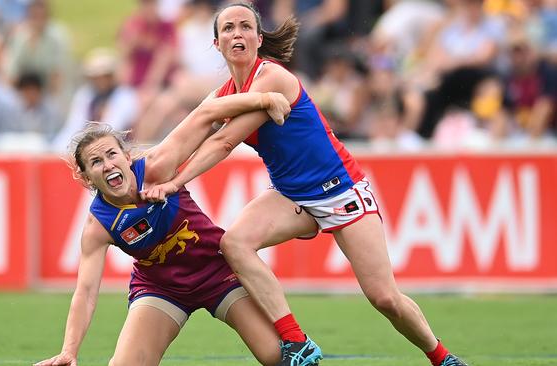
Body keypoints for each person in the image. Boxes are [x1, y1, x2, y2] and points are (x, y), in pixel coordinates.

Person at [141, 2, 469, 366]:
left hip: (341, 190)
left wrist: (175, 183)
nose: (238, 34)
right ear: (216, 44)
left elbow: (223, 142)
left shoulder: (272, 77)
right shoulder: (223, 95)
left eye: (246, 27)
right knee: (234, 244)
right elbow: (186, 137)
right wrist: (145, 169)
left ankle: (441, 357)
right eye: (229, 28)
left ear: (258, 38)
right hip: (290, 195)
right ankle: (296, 341)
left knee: (384, 298)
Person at [33, 89, 292, 366]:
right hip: (162, 288)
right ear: (86, 178)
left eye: (111, 154)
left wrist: (263, 99)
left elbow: (206, 113)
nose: (108, 165)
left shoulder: (158, 166)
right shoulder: (98, 226)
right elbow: (85, 293)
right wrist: (69, 351)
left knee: (278, 357)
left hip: (218, 271)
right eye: (96, 162)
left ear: (127, 156)